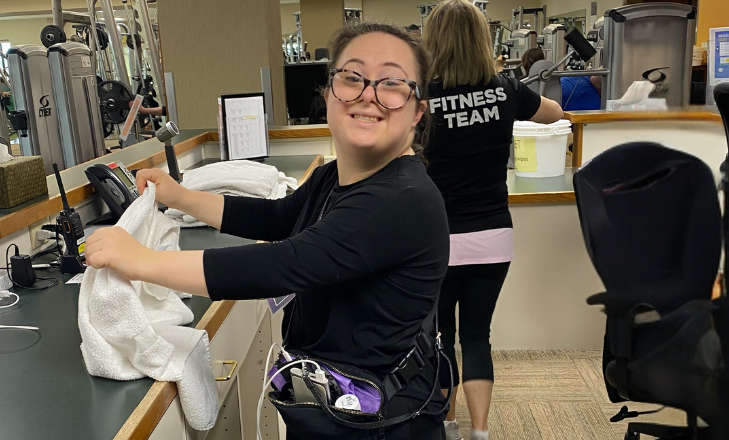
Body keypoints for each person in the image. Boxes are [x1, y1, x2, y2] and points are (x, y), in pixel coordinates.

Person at [85, 22, 451, 439]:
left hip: (380, 422)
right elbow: (276, 218)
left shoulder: (400, 198)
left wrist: (141, 261)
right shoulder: (334, 177)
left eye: (392, 83)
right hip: (338, 405)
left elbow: (282, 265)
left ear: (417, 110)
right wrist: (181, 196)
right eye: (352, 77)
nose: (368, 93)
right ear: (329, 93)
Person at [421, 2, 563, 440]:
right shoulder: (507, 90)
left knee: (442, 334)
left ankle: (446, 423)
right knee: (477, 335)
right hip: (494, 236)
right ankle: (479, 432)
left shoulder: (422, 97)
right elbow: (555, 113)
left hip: (438, 240)